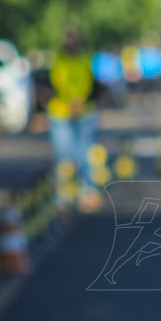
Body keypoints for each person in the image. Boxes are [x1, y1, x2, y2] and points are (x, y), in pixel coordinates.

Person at [47, 28, 101, 212]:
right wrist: (71, 100)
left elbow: (89, 82)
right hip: (61, 112)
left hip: (84, 112)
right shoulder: (58, 61)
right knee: (63, 153)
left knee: (84, 153)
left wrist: (79, 100)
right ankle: (62, 195)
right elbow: (57, 81)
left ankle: (87, 190)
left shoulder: (86, 59)